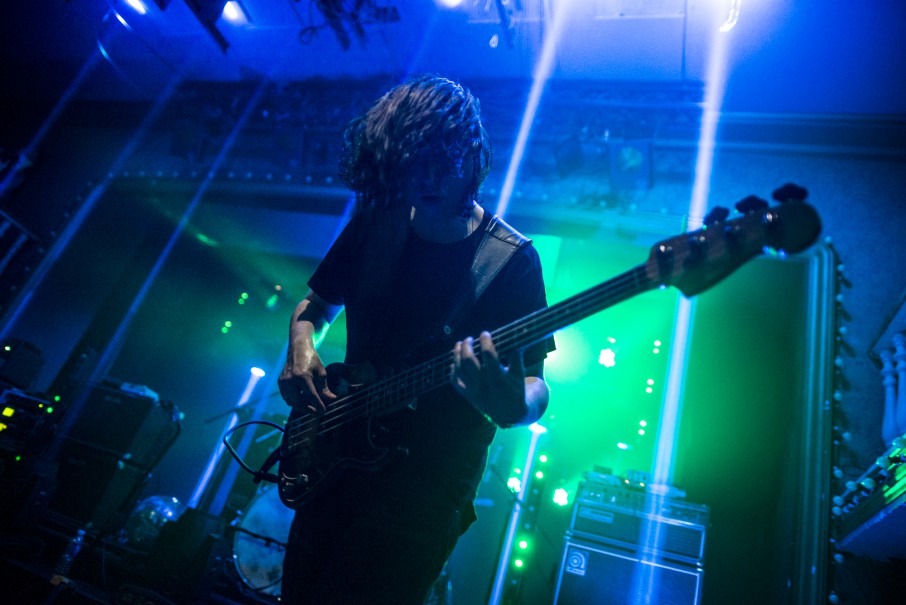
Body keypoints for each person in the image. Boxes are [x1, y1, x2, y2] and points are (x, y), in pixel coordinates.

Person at [277, 74, 555, 604]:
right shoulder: (376, 227)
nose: (426, 180)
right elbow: (316, 306)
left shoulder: (511, 262)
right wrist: (301, 347)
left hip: (426, 483)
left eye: (440, 163)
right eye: (412, 164)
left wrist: (513, 405)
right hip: (337, 454)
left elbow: (536, 384)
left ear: (470, 156)